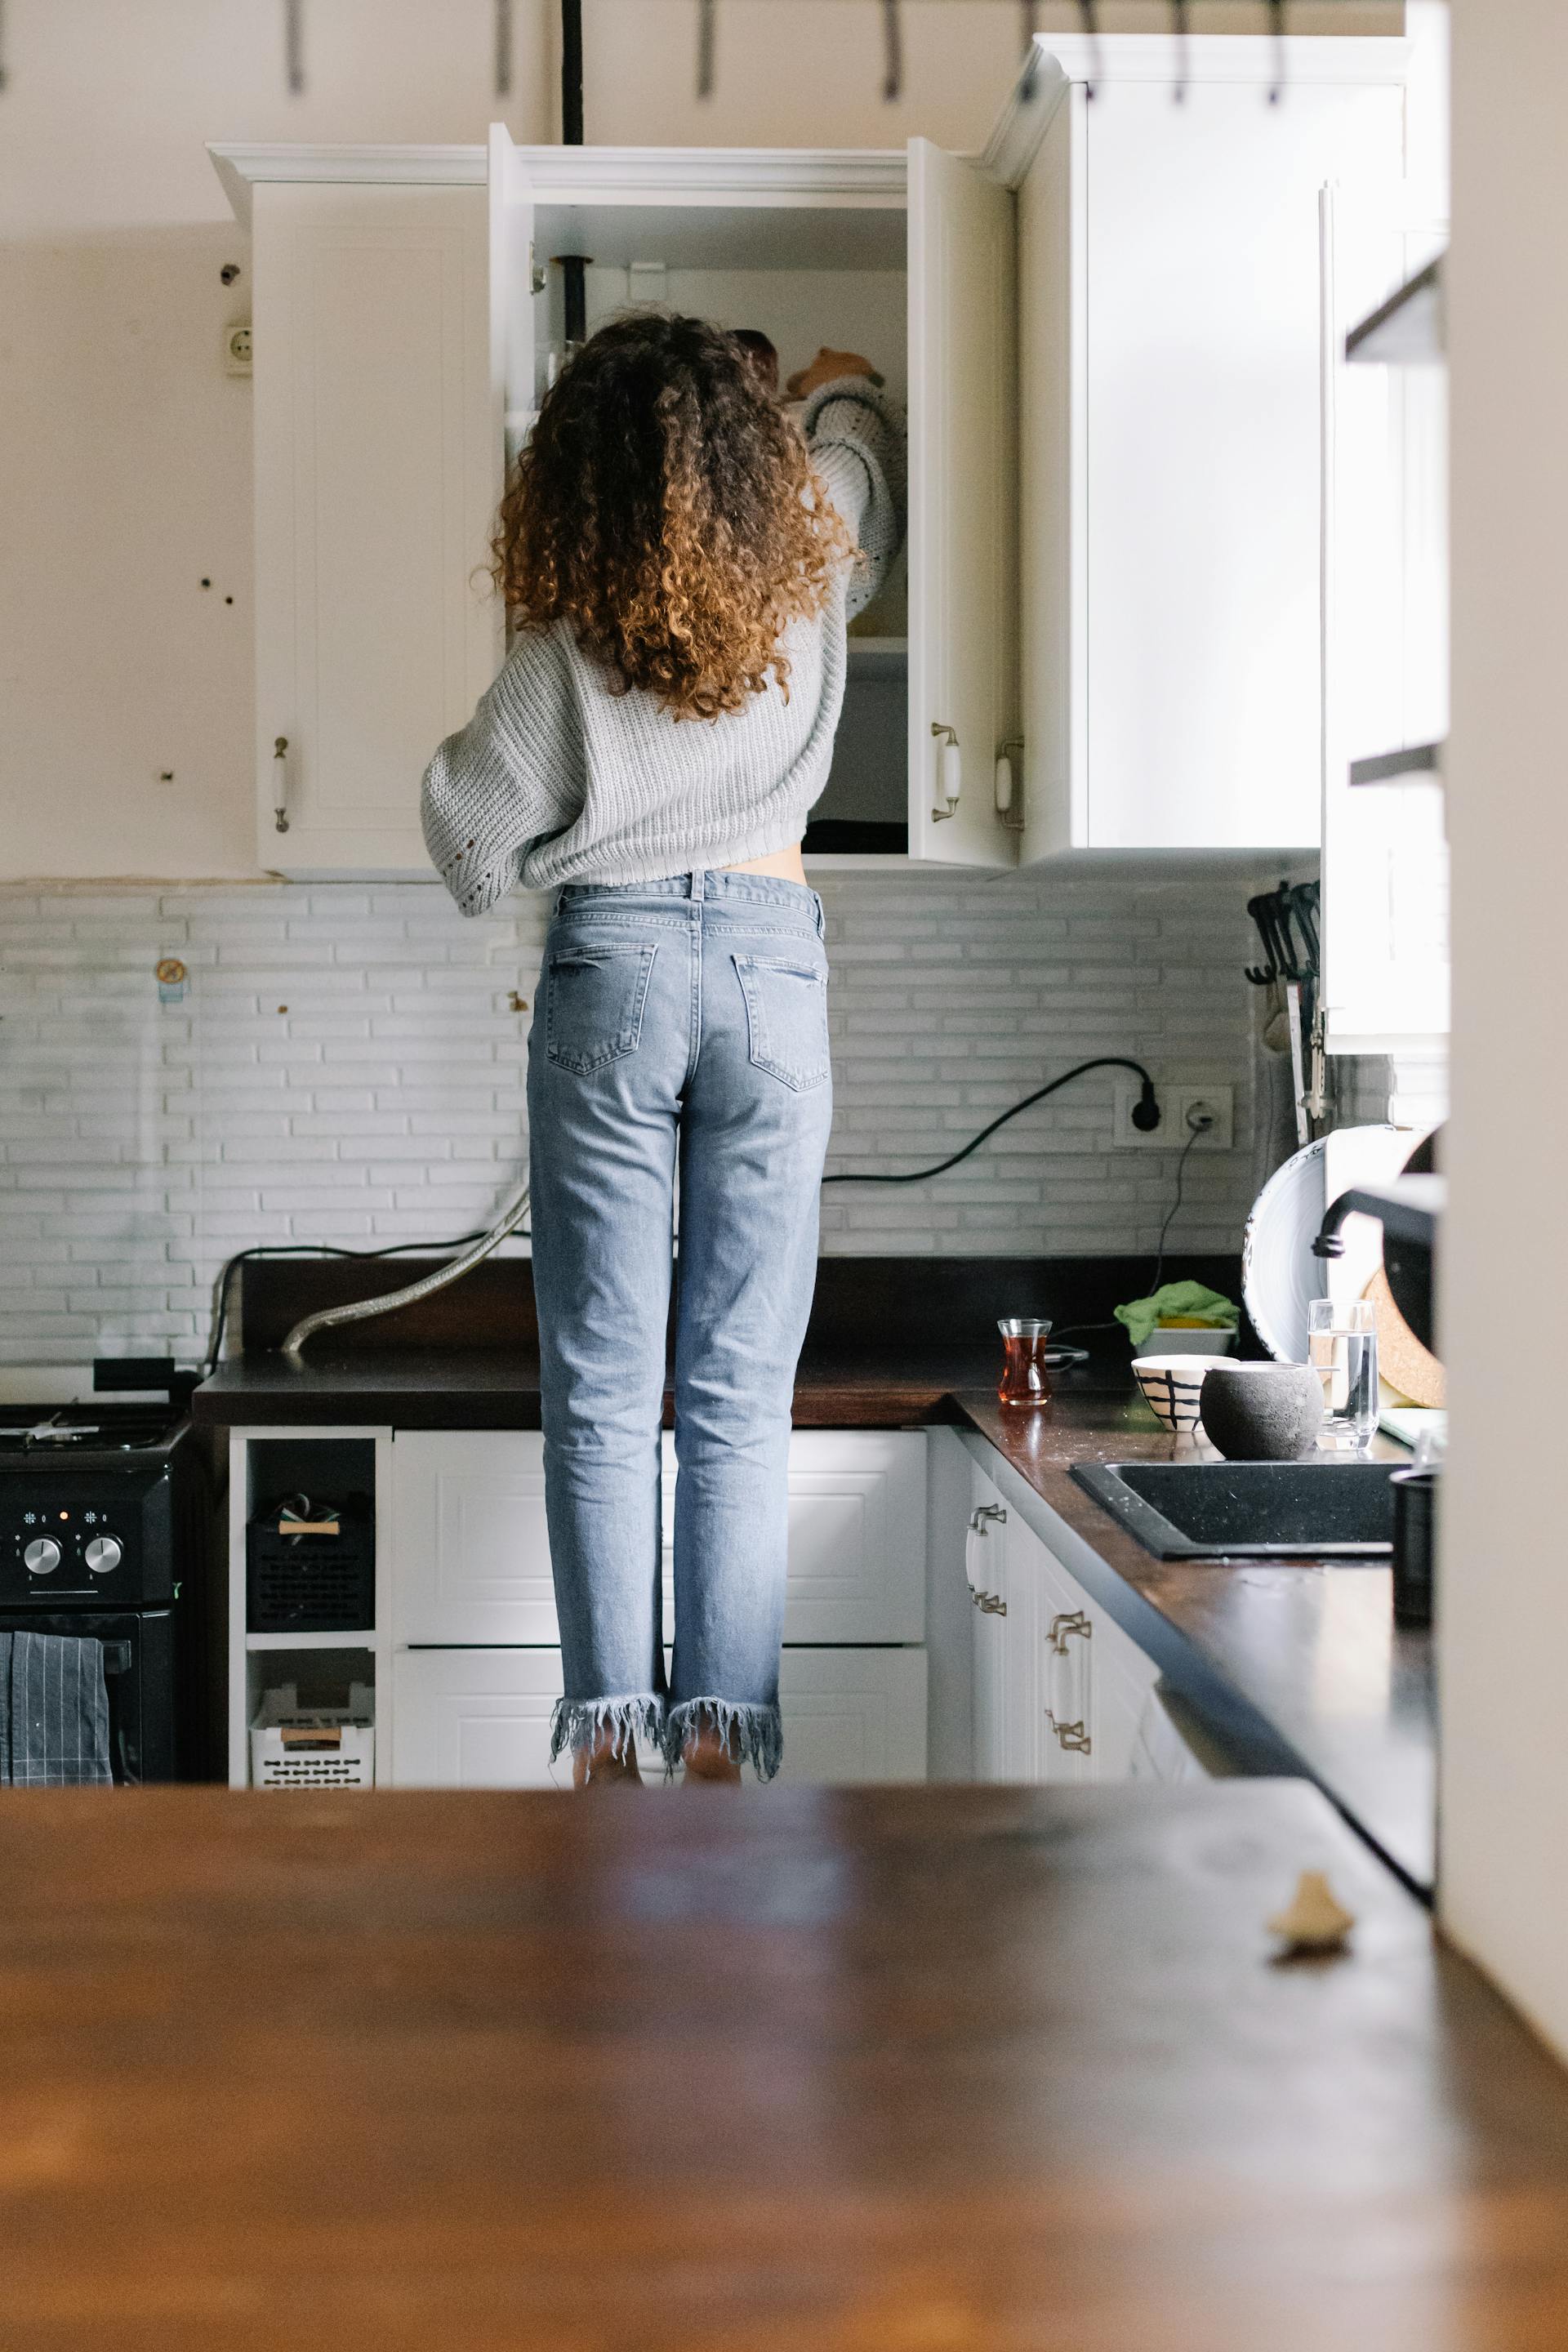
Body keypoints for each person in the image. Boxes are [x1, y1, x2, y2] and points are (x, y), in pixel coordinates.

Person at [421, 314, 904, 1787]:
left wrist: (589, 804)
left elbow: (463, 838)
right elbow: (855, 477)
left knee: (610, 1393)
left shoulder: (566, 652)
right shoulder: (810, 581)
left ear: (579, 481)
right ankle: (724, 1753)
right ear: (751, 470)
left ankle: (614, 1753)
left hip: (614, 964)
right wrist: (844, 393)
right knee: (742, 1391)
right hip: (774, 958)